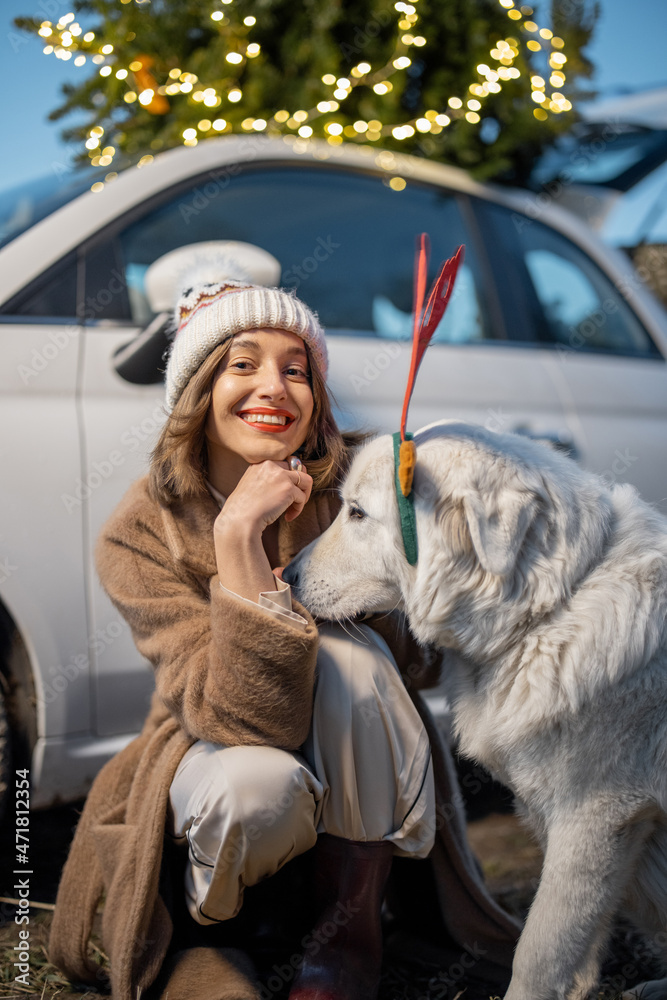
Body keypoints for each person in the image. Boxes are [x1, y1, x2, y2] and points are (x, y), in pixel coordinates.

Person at [49, 258, 520, 1000]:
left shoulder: (357, 484)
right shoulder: (140, 530)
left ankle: (350, 929)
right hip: (221, 755)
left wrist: (416, 550)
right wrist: (240, 539)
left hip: (359, 767)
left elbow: (423, 664)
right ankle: (217, 934)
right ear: (199, 390)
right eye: (243, 364)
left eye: (296, 369)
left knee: (352, 658)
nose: (274, 387)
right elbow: (242, 720)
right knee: (253, 787)